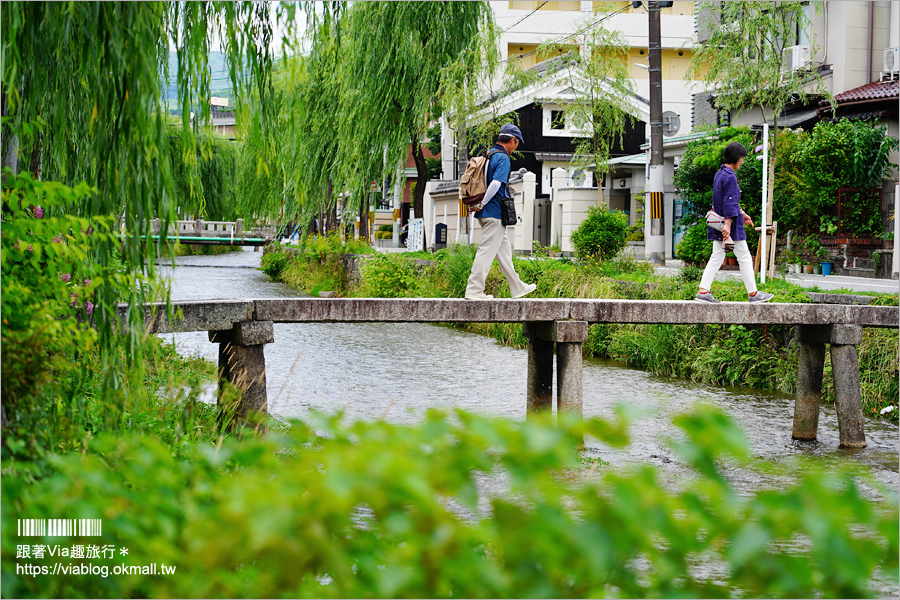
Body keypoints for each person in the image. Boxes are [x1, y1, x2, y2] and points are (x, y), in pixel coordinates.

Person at [464, 123, 537, 300]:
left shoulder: (488, 155)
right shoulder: (503, 158)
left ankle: (517, 287)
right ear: (513, 140)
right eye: (517, 143)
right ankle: (474, 291)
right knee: (486, 251)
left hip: (487, 214)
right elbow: (496, 184)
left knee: (504, 253)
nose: (516, 147)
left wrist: (481, 205)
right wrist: (483, 202)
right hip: (494, 212)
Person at [696, 141, 773, 303]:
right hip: (730, 226)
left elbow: (725, 200)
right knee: (744, 256)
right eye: (742, 158)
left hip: (718, 222)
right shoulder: (730, 176)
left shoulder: (719, 173)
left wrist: (742, 213)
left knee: (716, 256)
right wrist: (728, 226)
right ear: (735, 157)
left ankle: (703, 292)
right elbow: (730, 203)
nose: (742, 161)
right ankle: (753, 294)